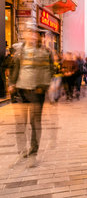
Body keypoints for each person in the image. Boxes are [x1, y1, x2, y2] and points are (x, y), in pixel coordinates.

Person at [8, 26, 53, 167]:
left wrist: (43, 86)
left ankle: (33, 152)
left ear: (37, 36)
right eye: (29, 33)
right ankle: (22, 152)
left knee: (34, 124)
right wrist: (11, 83)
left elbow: (49, 70)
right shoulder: (18, 51)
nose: (32, 36)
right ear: (24, 35)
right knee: (20, 124)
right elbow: (14, 68)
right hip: (20, 92)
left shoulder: (45, 52)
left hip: (36, 92)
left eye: (34, 33)